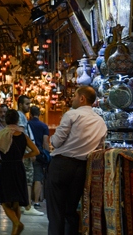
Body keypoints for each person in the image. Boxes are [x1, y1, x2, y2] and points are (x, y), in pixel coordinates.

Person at [46, 86, 106, 235]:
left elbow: (57, 142)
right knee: (70, 210)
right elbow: (99, 149)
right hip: (82, 168)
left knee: (55, 211)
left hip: (61, 165)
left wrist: (51, 140)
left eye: (74, 96)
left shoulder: (72, 114)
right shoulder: (100, 122)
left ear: (82, 98)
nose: (72, 99)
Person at [0, 109, 40, 235]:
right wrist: (24, 156)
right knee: (16, 201)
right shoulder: (23, 135)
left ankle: (17, 224)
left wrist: (1, 162)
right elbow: (36, 151)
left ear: (6, 120)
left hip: (6, 168)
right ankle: (14, 230)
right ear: (18, 120)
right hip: (19, 168)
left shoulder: (2, 134)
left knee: (5, 201)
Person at [16, 95, 43, 216]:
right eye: (27, 104)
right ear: (20, 104)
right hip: (26, 152)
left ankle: (23, 204)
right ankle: (27, 206)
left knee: (25, 179)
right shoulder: (21, 116)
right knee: (28, 179)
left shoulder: (22, 117)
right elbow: (22, 134)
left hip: (24, 152)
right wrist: (30, 150)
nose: (29, 106)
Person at [27, 105, 50, 211]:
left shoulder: (27, 124)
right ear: (39, 114)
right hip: (39, 154)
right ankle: (36, 201)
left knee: (28, 179)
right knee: (37, 178)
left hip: (28, 153)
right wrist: (47, 155)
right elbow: (45, 142)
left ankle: (28, 201)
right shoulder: (44, 126)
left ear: (30, 114)